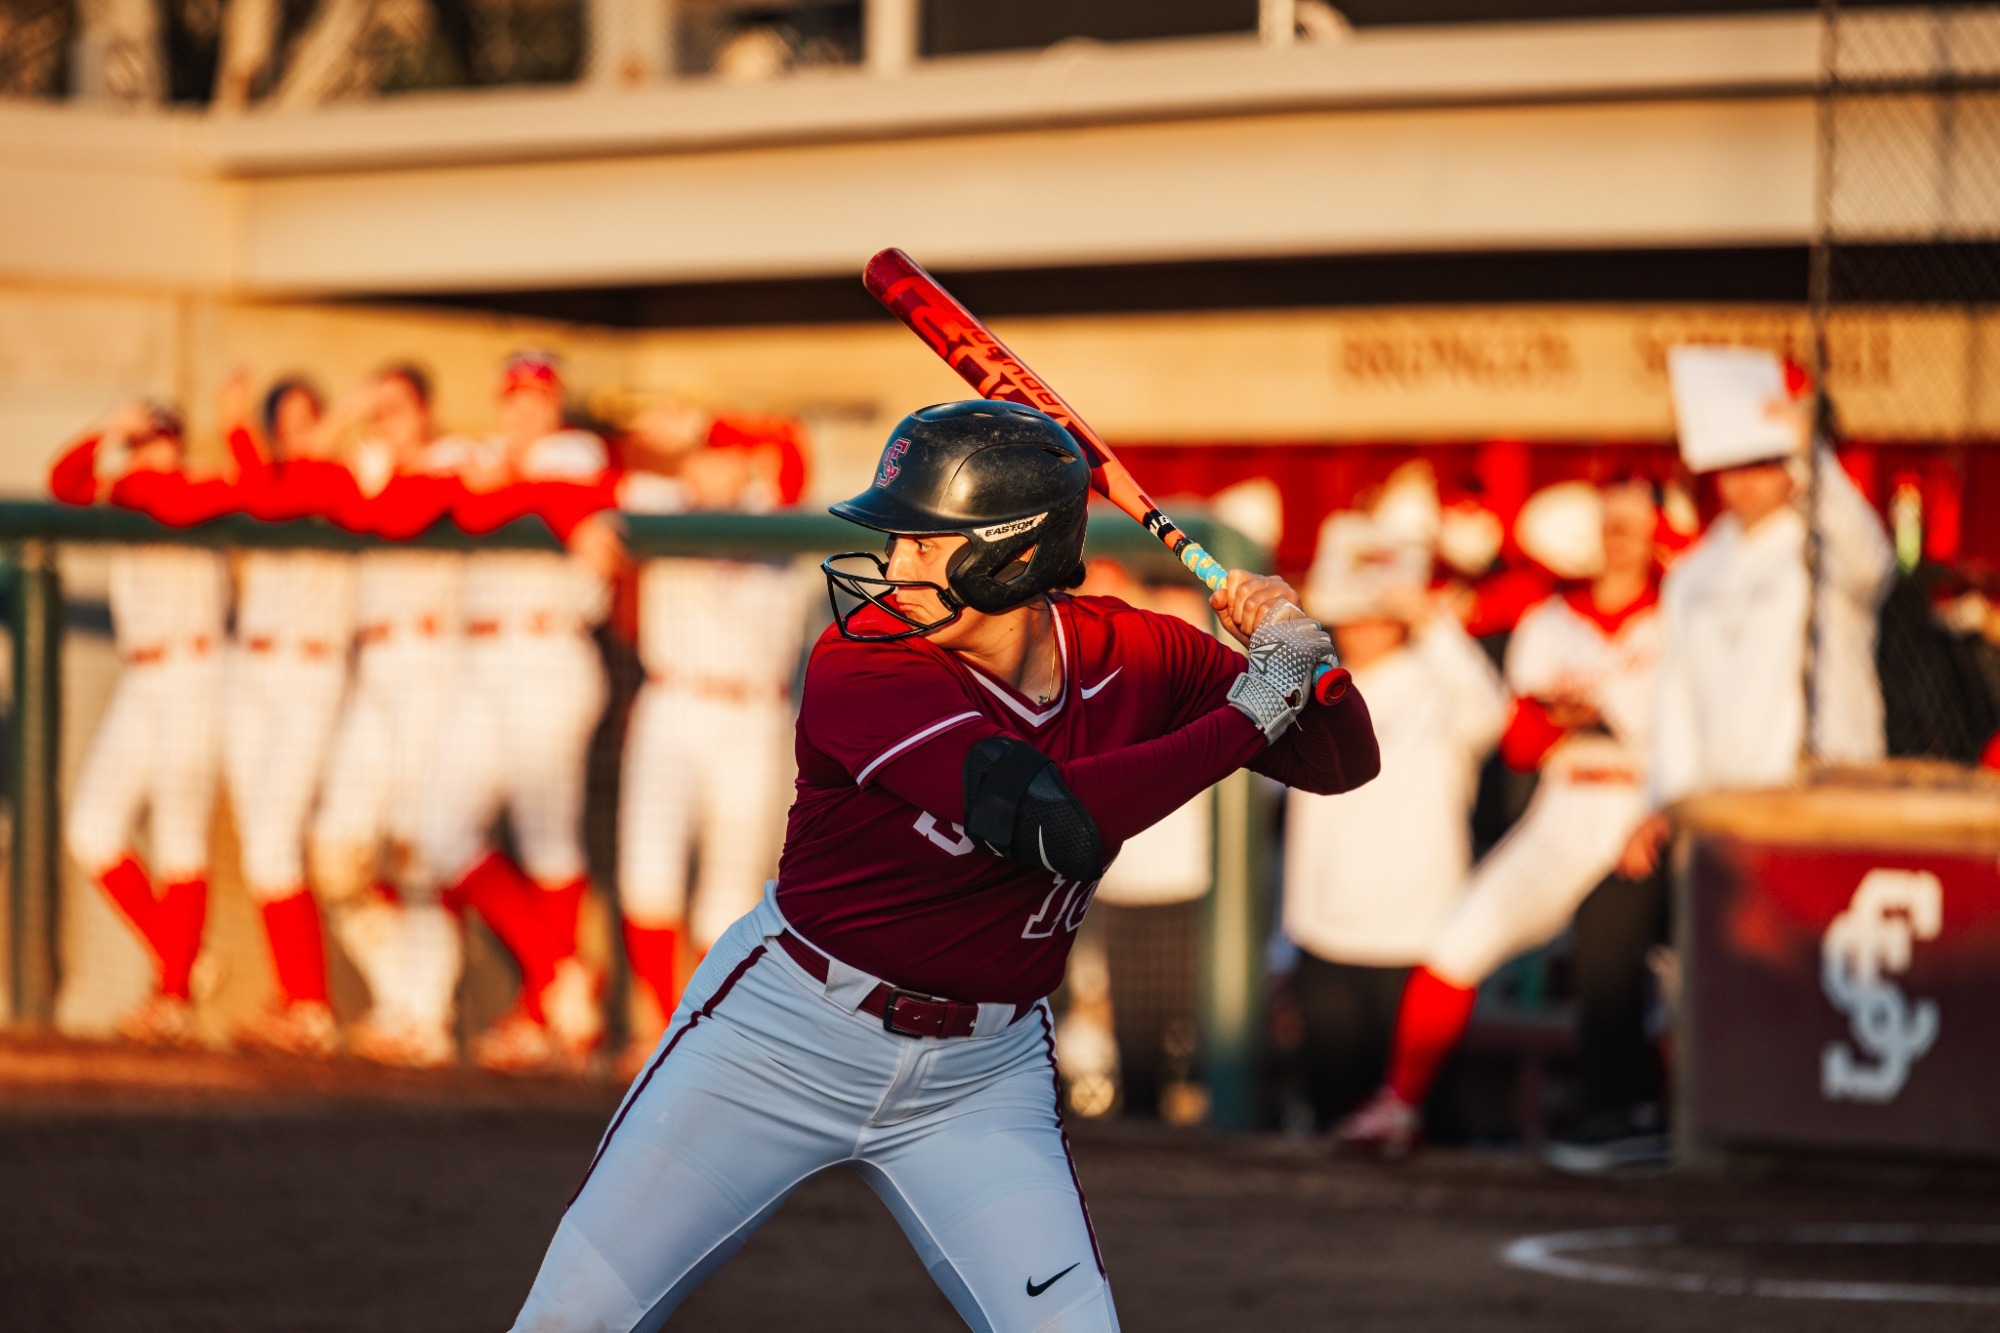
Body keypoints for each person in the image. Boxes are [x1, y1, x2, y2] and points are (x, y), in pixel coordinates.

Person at [507, 401, 1378, 1332]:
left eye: (924, 542)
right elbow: (1052, 823)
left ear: (1014, 553)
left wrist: (1299, 646)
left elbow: (1340, 762)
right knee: (574, 1318)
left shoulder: (1137, 651)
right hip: (783, 1034)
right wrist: (1261, 698)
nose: (893, 565)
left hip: (982, 1074)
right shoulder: (861, 664)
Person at [1335, 479, 1664, 1157]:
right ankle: (1401, 1105)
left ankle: (1649, 1113)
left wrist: (1597, 714)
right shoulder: (1549, 622)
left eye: (1632, 522)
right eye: (1608, 521)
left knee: (1652, 974)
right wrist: (1561, 716)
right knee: (1458, 939)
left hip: (1652, 801)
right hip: (1568, 798)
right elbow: (1518, 746)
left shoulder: (1680, 614)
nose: (1617, 535)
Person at [421, 350, 623, 1073]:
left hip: (549, 651)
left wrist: (507, 485)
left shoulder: (577, 450)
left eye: (539, 396)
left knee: (548, 838)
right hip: (479, 659)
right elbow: (453, 500)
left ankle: (541, 1011)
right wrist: (509, 486)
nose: (526, 409)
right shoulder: (472, 451)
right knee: (441, 833)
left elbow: (512, 496)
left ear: (556, 402)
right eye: (515, 396)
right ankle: (562, 974)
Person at [1284, 508, 1508, 1131]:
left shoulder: (1441, 683)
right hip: (1324, 933)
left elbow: (1491, 713)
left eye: (1376, 609)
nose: (1362, 621)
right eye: (1351, 607)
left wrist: (1429, 620)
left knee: (1423, 1118)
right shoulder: (1312, 686)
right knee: (1333, 1109)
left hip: (1417, 935)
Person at [616, 417, 813, 1074]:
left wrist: (754, 451)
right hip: (671, 699)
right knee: (646, 873)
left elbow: (791, 464)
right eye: (706, 456)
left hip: (751, 711)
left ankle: (703, 1037)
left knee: (728, 890)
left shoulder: (775, 514)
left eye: (730, 458)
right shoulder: (661, 503)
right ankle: (664, 1030)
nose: (715, 468)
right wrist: (681, 451)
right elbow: (618, 474)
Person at [50, 401, 236, 1046]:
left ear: (178, 445)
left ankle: (173, 997)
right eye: (141, 442)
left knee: (182, 835)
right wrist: (107, 429)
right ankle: (182, 958)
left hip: (196, 669)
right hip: (141, 675)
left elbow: (179, 504)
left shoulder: (200, 480)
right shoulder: (127, 489)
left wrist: (133, 475)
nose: (148, 451)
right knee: (92, 829)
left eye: (158, 440)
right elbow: (64, 485)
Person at [310, 364, 476, 1068]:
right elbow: (305, 475)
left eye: (396, 409)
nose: (384, 423)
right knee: (333, 848)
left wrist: (376, 466)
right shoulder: (365, 460)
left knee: (417, 849)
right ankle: (396, 996)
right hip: (372, 665)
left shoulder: (455, 456)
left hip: (431, 663)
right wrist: (348, 406)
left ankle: (425, 1017)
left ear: (426, 410)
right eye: (377, 412)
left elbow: (399, 511)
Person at [223, 374, 362, 1058]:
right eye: (287, 422)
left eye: (312, 417)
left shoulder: (337, 476)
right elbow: (260, 497)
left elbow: (307, 496)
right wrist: (237, 434)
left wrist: (315, 443)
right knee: (260, 845)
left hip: (311, 667)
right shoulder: (260, 482)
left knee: (279, 833)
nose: (300, 430)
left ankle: (310, 1004)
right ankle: (297, 999)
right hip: (253, 669)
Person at [1078, 560, 1216, 1121]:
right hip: (1122, 879)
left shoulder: (1189, 629)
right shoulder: (1096, 655)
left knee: (1194, 1042)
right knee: (1131, 1045)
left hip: (1191, 879)